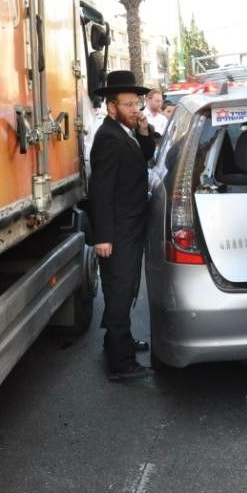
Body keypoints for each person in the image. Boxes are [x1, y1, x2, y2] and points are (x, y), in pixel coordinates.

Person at [88, 70, 156, 381]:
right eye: (128, 105)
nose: (136, 110)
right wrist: (102, 236)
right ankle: (121, 362)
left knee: (126, 287)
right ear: (111, 106)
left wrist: (143, 132)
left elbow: (145, 157)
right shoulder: (107, 138)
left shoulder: (124, 132)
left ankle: (118, 342)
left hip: (129, 227)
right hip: (116, 230)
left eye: (137, 104)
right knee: (118, 290)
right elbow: (99, 191)